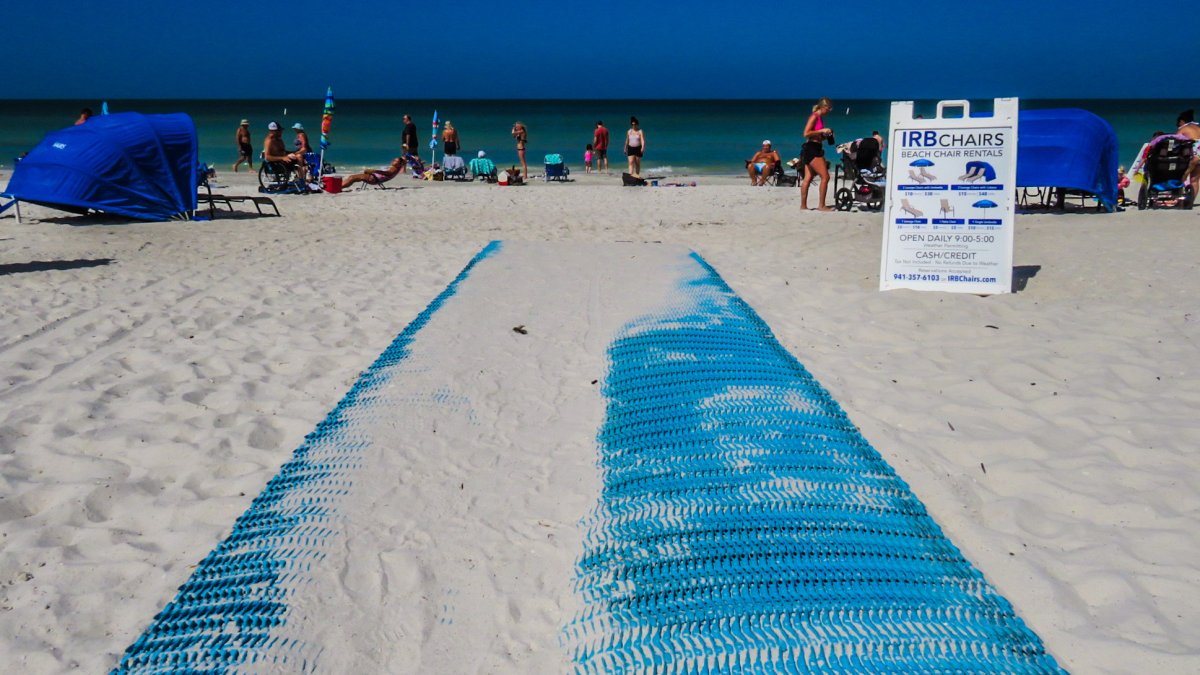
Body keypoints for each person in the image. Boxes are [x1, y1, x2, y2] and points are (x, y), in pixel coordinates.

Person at [800, 97, 835, 211]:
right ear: (824, 107)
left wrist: (825, 135)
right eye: (829, 109)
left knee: (808, 177)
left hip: (814, 147)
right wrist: (821, 131)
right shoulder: (814, 116)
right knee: (825, 176)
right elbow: (806, 133)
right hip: (812, 149)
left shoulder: (820, 118)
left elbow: (815, 136)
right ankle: (821, 206)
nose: (829, 111)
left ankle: (803, 206)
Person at [1176, 109, 1200, 196]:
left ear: (1182, 121)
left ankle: (1180, 196)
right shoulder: (1198, 127)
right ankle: (1191, 202)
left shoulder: (1183, 128)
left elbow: (1176, 142)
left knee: (1183, 175)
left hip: (1194, 153)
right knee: (1195, 179)